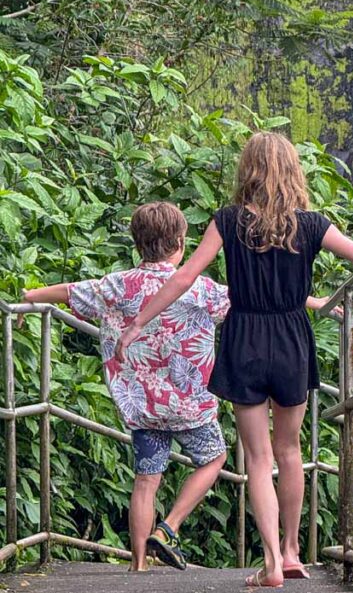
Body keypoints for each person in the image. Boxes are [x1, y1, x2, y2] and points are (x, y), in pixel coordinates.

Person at [116, 132, 353, 588]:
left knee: (259, 459)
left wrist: (137, 324)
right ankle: (290, 551)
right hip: (291, 339)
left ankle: (268, 563)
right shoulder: (312, 225)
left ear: (247, 170)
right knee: (290, 451)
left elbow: (185, 277)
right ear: (292, 169)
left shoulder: (227, 221)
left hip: (244, 338)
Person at [24, 201, 231, 572]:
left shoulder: (118, 285)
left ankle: (138, 565)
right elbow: (250, 303)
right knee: (214, 458)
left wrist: (30, 297)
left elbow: (71, 291)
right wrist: (311, 301)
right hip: (190, 405)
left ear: (138, 243)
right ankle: (168, 528)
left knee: (146, 480)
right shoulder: (201, 289)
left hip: (142, 404)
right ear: (181, 242)